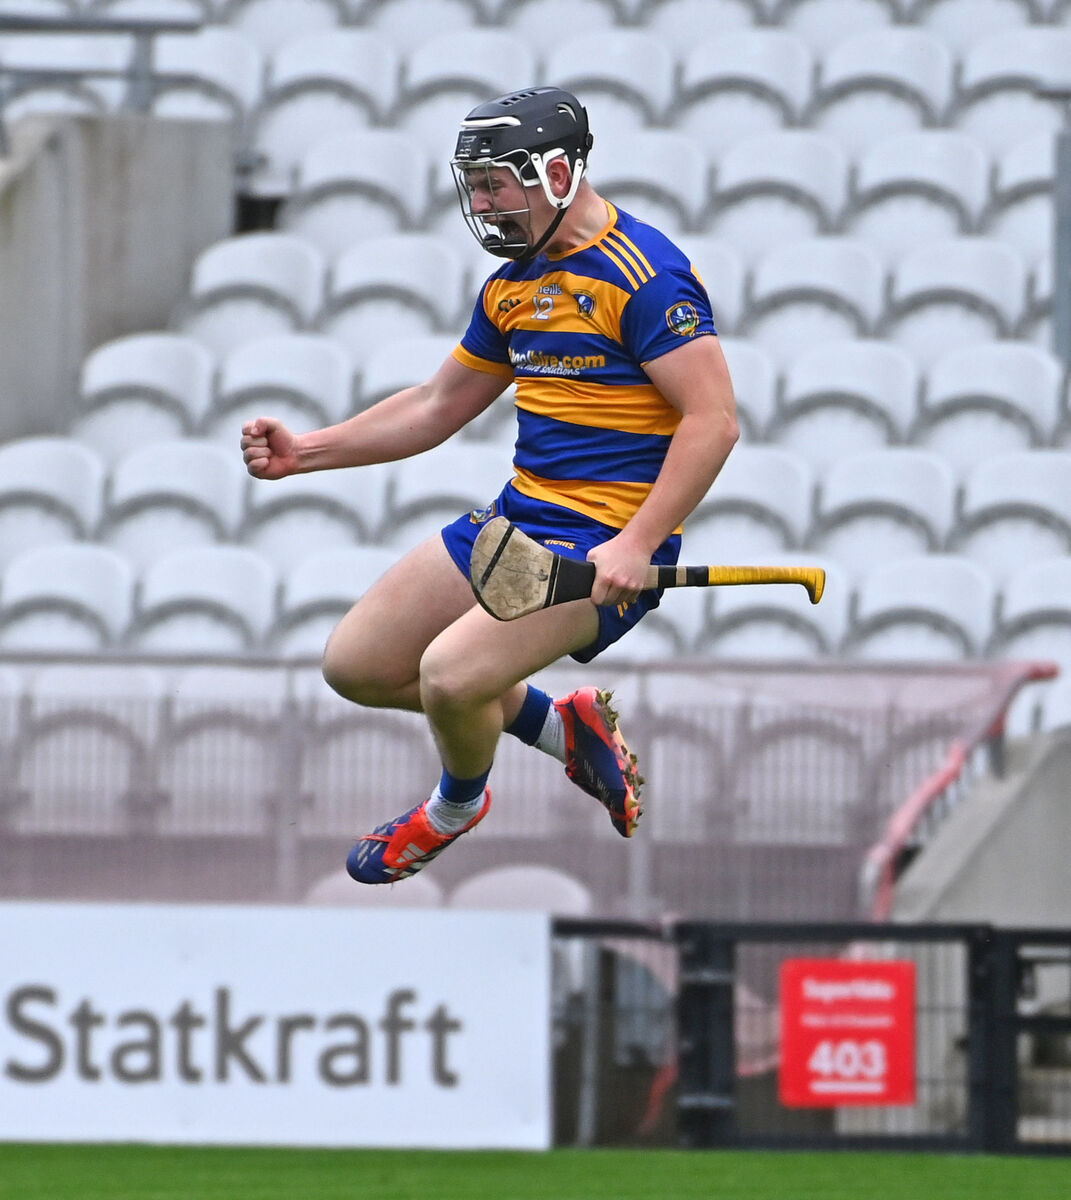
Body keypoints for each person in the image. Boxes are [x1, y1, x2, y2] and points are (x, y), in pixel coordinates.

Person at [241, 86, 738, 885]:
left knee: (450, 675)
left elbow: (712, 422)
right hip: (518, 518)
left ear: (554, 171)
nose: (480, 203)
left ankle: (454, 807)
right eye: (471, 183)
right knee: (358, 666)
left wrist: (637, 544)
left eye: (493, 182)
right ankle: (561, 729)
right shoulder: (514, 284)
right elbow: (438, 405)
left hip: (598, 545)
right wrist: (309, 451)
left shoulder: (644, 278)